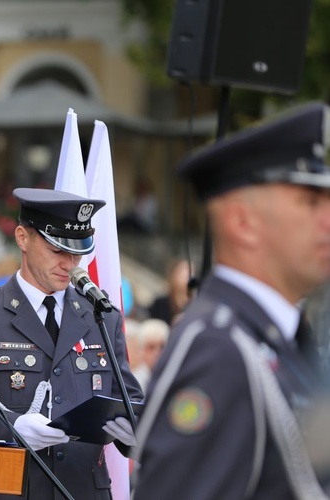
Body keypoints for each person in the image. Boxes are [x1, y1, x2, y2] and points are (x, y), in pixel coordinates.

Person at [133, 102, 330, 499]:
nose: (327, 218)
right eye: (310, 202)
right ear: (243, 223)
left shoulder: (275, 337)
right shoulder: (217, 350)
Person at [0, 187, 143, 499]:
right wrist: (12, 427)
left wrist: (135, 433)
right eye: (57, 250)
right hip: (10, 490)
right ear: (23, 238)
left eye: (76, 252)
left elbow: (128, 401)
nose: (70, 264)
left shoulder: (101, 316)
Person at [146, 257, 192, 326]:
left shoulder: (194, 304)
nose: (189, 276)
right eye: (184, 272)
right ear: (173, 275)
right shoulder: (160, 303)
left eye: (190, 272)